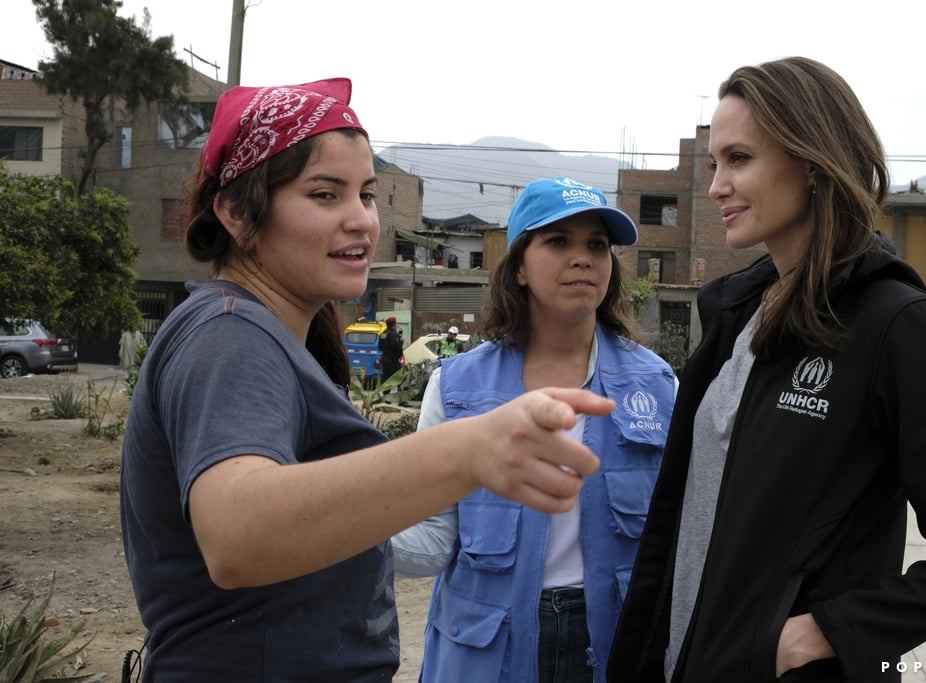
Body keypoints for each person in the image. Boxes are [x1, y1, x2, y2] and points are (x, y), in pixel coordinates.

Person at [119, 79, 617, 683]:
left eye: (368, 195)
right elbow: (237, 533)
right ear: (236, 212)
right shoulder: (231, 335)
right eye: (325, 194)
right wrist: (469, 451)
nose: (361, 221)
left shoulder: (276, 337)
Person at [607, 57, 926, 683]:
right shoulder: (734, 313)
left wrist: (824, 632)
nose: (716, 184)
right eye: (715, 162)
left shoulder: (894, 321)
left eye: (739, 159)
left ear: (811, 162)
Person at [392, 177, 677, 683]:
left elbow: (677, 537)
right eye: (557, 241)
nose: (583, 257)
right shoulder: (455, 387)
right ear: (519, 266)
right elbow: (436, 540)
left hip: (615, 642)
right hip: (486, 648)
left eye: (596, 244)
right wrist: (341, 530)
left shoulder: (657, 386)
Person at [379, 315, 403, 380]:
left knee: (387, 380)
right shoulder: (393, 334)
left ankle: (386, 390)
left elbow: (380, 347)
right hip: (393, 361)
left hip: (385, 360)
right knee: (401, 378)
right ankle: (401, 389)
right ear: (394, 324)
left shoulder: (383, 333)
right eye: (396, 323)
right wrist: (401, 342)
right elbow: (395, 347)